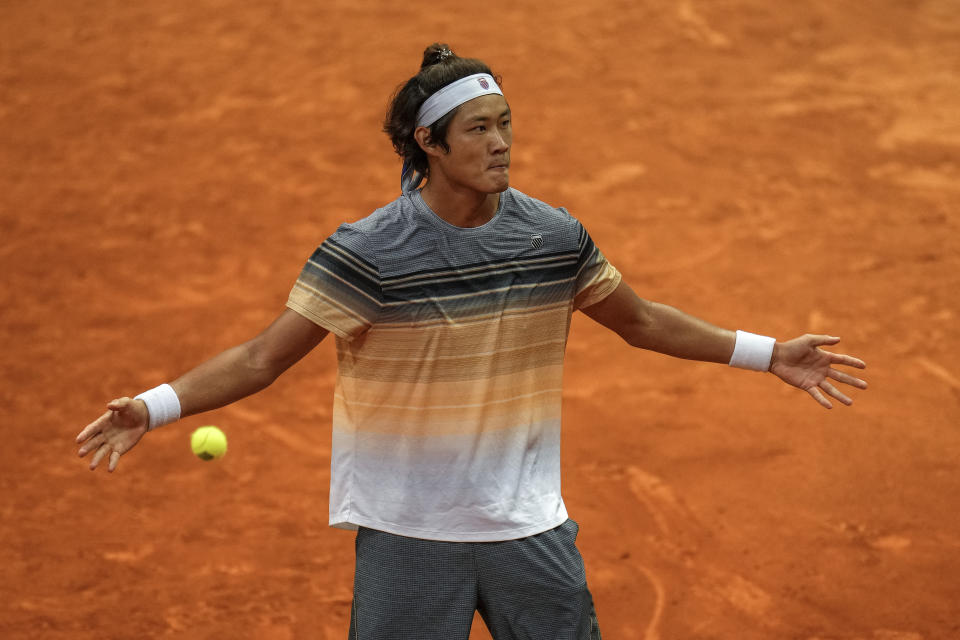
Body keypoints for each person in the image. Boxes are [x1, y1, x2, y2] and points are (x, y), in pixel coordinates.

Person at [76, 43, 867, 640]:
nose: (500, 143)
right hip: (407, 531)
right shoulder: (369, 252)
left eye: (506, 124)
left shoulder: (553, 235)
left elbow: (643, 322)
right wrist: (153, 406)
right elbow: (262, 357)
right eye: (479, 128)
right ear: (430, 143)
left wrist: (769, 353)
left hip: (527, 523)